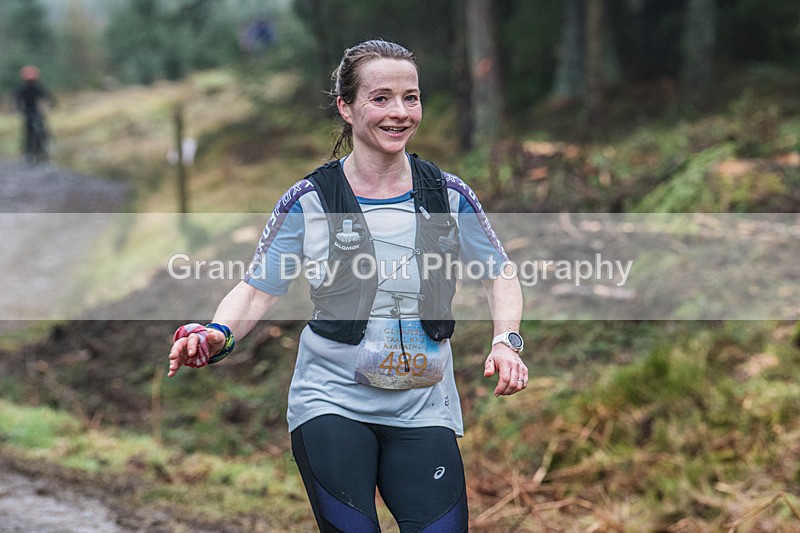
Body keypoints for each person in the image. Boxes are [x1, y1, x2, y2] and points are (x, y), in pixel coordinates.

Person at [167, 39, 527, 532]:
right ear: (346, 107)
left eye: (411, 97)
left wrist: (506, 341)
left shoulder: (447, 194)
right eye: (380, 98)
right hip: (331, 403)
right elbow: (256, 289)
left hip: (423, 408)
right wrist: (219, 334)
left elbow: (499, 273)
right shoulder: (310, 200)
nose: (399, 112)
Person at [14, 65, 54, 163]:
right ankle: (29, 152)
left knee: (41, 131)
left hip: (37, 111)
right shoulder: (22, 87)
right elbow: (17, 98)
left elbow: (47, 96)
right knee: (29, 132)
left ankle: (41, 151)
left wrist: (49, 105)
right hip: (27, 111)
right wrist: (19, 108)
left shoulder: (37, 86)